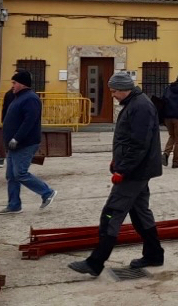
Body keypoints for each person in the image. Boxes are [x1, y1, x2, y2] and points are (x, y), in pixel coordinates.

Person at [69, 72, 163, 277]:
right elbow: (127, 140)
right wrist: (117, 160)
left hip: (135, 172)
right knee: (140, 213)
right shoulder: (134, 104)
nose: (112, 95)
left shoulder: (140, 107)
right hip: (137, 169)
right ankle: (154, 254)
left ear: (124, 89)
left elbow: (139, 144)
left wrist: (123, 169)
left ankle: (95, 263)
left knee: (111, 213)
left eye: (114, 91)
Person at [0, 71, 57, 215]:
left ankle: (47, 192)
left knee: (20, 174)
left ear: (22, 84)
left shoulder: (31, 99)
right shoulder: (18, 97)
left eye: (14, 83)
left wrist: (17, 138)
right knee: (11, 176)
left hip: (25, 144)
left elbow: (29, 121)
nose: (12, 85)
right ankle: (14, 205)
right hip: (13, 145)